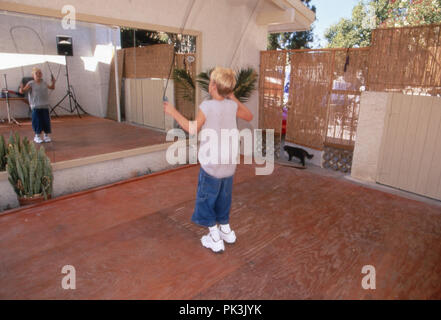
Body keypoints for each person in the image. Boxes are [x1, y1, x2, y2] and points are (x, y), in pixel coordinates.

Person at [164, 67, 253, 253]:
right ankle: (226, 230)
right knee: (223, 197)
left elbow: (192, 128)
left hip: (212, 165)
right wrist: (232, 96)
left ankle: (214, 236)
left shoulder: (207, 107)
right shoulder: (232, 105)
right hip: (229, 164)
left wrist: (172, 112)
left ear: (212, 86)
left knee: (206, 199)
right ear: (228, 89)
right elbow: (249, 116)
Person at [19, 67, 56, 144]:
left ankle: (46, 136)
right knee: (37, 121)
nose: (39, 74)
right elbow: (22, 91)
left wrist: (53, 82)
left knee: (46, 121)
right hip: (35, 106)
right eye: (37, 73)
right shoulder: (30, 83)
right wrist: (21, 88)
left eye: (40, 73)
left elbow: (52, 88)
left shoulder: (44, 82)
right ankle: (37, 136)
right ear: (33, 75)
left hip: (45, 106)